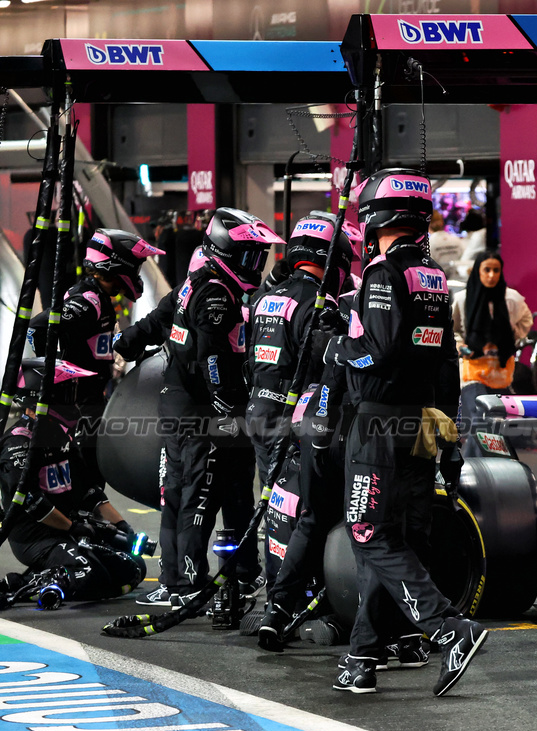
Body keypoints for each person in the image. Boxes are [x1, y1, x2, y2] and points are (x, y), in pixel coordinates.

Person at [322, 167, 488, 696]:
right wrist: (450, 442)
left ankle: (448, 628)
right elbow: (446, 363)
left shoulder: (381, 273)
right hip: (423, 421)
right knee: (392, 540)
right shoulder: (434, 277)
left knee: (368, 533)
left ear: (377, 218)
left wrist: (336, 345)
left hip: (378, 421)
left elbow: (379, 349)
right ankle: (362, 658)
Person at [151, 208, 282, 609]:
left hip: (179, 404)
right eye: (249, 255)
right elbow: (211, 356)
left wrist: (124, 343)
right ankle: (189, 583)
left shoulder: (197, 282)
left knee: (187, 493)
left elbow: (158, 320)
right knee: (198, 495)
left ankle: (184, 579)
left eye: (259, 256)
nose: (256, 265)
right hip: (203, 412)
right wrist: (225, 406)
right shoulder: (216, 291)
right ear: (227, 251)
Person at [246, 212, 352, 584]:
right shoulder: (317, 304)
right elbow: (331, 364)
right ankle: (300, 591)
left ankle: (277, 584)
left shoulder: (267, 297)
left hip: (258, 410)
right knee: (301, 506)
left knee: (274, 502)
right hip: (293, 418)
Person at [0, 359, 145, 610]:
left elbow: (87, 490)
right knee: (90, 574)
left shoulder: (60, 435)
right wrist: (74, 527)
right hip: (35, 537)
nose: (73, 400)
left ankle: (61, 572)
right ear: (41, 396)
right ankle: (19, 583)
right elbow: (30, 502)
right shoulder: (19, 443)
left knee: (134, 567)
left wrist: (121, 525)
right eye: (66, 393)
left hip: (67, 531)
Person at [29, 229, 165, 491]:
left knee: (92, 481)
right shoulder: (88, 301)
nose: (136, 275)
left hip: (92, 402)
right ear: (117, 265)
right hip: (77, 409)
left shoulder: (99, 298)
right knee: (86, 484)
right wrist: (53, 378)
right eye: (135, 267)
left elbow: (93, 344)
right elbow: (37, 327)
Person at [452, 252, 533, 453]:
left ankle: (471, 471)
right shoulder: (463, 299)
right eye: (486, 270)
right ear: (478, 271)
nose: (491, 275)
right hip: (472, 373)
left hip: (501, 373)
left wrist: (511, 336)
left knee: (491, 426)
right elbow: (451, 328)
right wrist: (460, 345)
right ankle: (479, 472)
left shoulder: (512, 299)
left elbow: (526, 320)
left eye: (496, 270)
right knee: (481, 419)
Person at [428, 211, 466, 281]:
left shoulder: (428, 244)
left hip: (440, 283)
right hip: (459, 280)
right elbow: (464, 261)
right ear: (442, 222)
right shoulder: (456, 240)